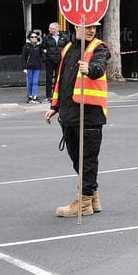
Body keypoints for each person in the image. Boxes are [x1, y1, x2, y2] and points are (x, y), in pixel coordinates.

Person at [43, 20, 110, 218]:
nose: (91, 30)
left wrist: (89, 68)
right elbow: (61, 80)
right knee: (77, 159)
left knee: (87, 160)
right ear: (76, 27)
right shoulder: (68, 48)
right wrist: (54, 107)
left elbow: (99, 67)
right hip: (69, 114)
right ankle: (93, 196)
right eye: (87, 26)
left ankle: (84, 203)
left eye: (94, 27)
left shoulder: (100, 48)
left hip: (89, 114)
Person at [40, 22, 68, 100]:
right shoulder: (47, 38)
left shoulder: (64, 37)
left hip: (60, 60)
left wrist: (65, 59)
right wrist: (44, 59)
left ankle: (57, 94)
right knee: (49, 78)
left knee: (58, 77)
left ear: (56, 29)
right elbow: (42, 48)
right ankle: (49, 95)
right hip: (49, 60)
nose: (49, 30)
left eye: (51, 28)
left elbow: (68, 48)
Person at [21, 30, 43, 103]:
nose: (34, 38)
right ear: (29, 38)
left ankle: (35, 96)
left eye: (35, 37)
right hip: (29, 67)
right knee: (30, 82)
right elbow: (23, 58)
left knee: (35, 82)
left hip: (37, 67)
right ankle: (30, 96)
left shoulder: (39, 46)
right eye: (32, 37)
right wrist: (24, 68)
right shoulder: (26, 47)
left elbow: (41, 55)